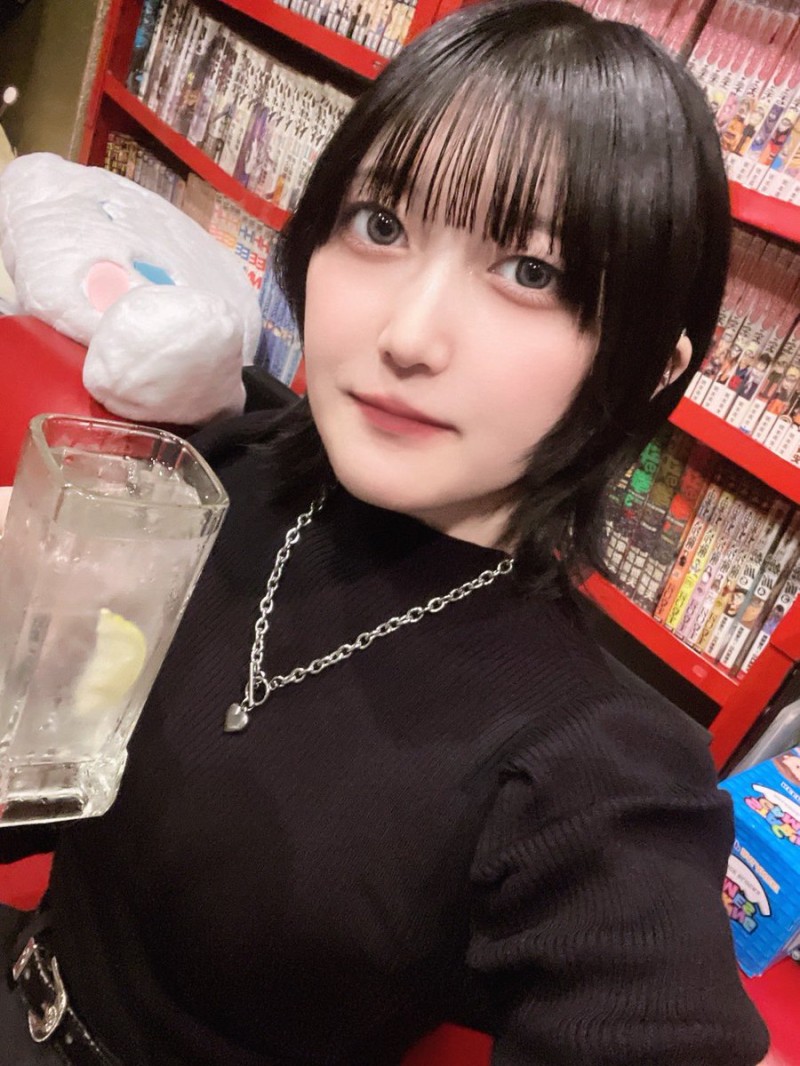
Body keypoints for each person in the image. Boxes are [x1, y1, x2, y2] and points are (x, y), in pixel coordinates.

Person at [0, 1, 772, 1063]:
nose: (406, 336)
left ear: (644, 366)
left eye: (531, 272)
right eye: (380, 224)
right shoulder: (225, 466)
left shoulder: (594, 768)